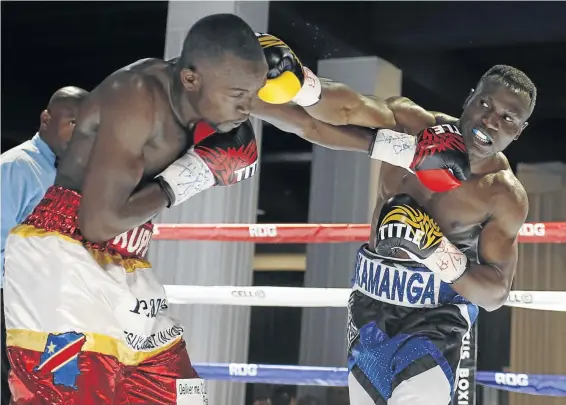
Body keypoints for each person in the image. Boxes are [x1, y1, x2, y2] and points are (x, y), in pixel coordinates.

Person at [3, 14, 271, 405]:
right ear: (193, 78)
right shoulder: (138, 100)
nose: (250, 107)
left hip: (126, 260)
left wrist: (379, 138)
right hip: (63, 259)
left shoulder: (222, 94)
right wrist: (192, 176)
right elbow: (96, 224)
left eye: (255, 93)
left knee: (185, 396)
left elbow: (309, 119)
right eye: (240, 95)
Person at [251, 36, 532, 405]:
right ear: (469, 98)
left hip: (433, 323)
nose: (490, 121)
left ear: (519, 130)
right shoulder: (411, 126)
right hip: (369, 307)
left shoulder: (503, 194)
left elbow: (495, 294)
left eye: (507, 119)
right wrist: (265, 91)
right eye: (485, 104)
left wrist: (435, 250)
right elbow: (337, 115)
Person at [0, 86, 88, 405]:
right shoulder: (15, 167)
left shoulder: (73, 174)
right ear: (46, 119)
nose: (80, 134)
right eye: (72, 123)